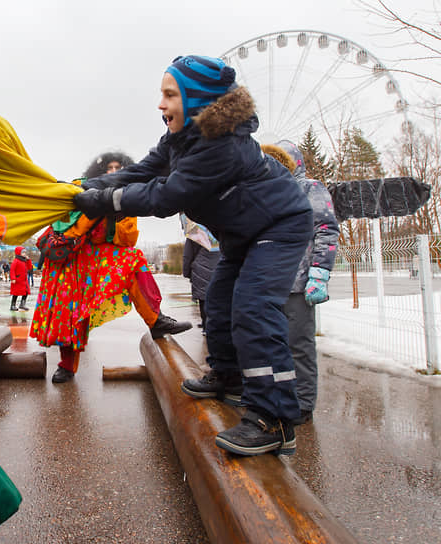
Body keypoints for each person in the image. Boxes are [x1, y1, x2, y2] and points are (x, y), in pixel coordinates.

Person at [75, 55, 313, 456]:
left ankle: (275, 419)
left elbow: (165, 195)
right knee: (219, 302)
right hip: (243, 233)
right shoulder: (181, 139)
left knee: (253, 308)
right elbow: (142, 171)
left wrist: (102, 200)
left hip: (279, 226)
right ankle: (228, 376)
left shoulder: (221, 147)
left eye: (170, 95)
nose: (160, 104)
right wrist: (84, 185)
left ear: (198, 101)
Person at [33, 152, 192, 384]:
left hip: (99, 257)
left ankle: (156, 320)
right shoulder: (79, 189)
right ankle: (66, 365)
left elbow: (127, 241)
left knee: (134, 260)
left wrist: (112, 216)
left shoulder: (127, 200)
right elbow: (63, 224)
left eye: (119, 167)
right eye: (110, 167)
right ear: (98, 173)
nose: (114, 171)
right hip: (73, 257)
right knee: (69, 311)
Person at [271, 140, 339, 426]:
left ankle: (303, 403)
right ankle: (281, 397)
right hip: (272, 284)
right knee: (275, 345)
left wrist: (319, 272)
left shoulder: (310, 188)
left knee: (299, 345)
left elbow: (326, 228)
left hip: (299, 283)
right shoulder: (269, 192)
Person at [181, 216, 220, 330]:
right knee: (219, 298)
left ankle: (205, 325)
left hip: (201, 270)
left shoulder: (195, 231)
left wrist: (187, 272)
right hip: (220, 266)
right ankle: (216, 324)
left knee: (203, 299)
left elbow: (187, 256)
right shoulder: (219, 227)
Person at [9, 246, 30, 311]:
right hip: (17, 280)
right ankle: (13, 305)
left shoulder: (24, 261)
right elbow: (12, 270)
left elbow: (29, 267)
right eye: (23, 252)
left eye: (25, 252)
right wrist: (13, 278)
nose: (24, 254)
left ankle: (22, 304)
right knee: (16, 293)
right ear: (19, 253)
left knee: (26, 292)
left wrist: (28, 260)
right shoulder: (16, 261)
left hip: (24, 280)